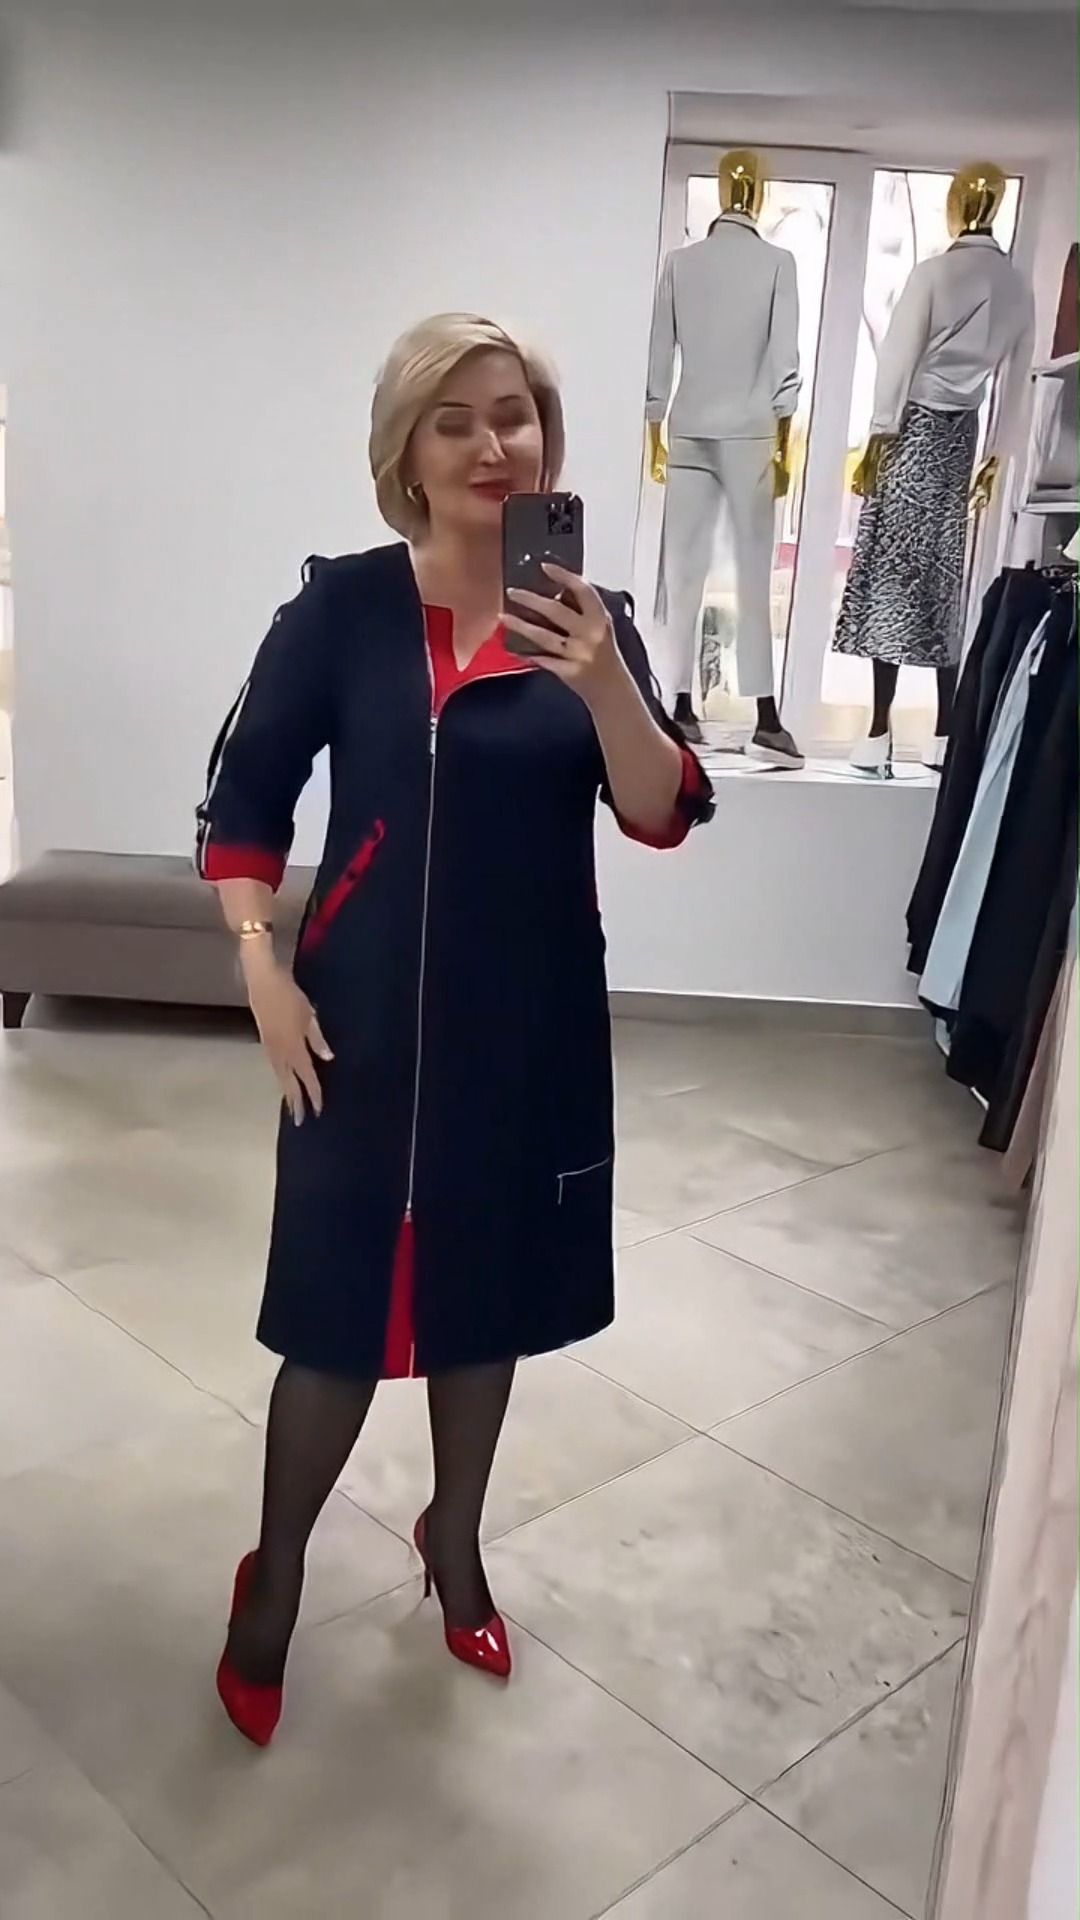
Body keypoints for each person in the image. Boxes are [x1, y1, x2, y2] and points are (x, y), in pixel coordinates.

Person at [197, 312, 714, 1745]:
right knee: (333, 1319)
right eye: (458, 420)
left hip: (525, 1032)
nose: (497, 445)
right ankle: (274, 1577)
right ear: (407, 454)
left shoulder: (591, 617)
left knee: (489, 1301)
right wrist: (261, 971)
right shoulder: (341, 612)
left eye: (517, 416)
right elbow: (243, 803)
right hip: (353, 1027)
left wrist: (602, 676)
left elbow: (660, 808)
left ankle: (457, 1543)